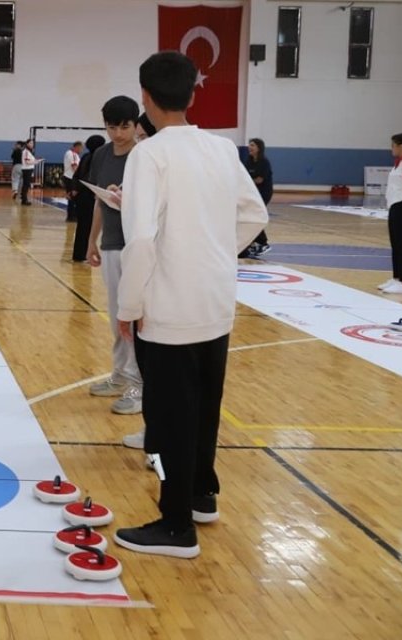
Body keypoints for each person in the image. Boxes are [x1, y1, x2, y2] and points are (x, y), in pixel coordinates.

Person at [112, 52, 267, 558]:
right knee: (203, 408)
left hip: (169, 308)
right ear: (192, 93)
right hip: (215, 300)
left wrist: (128, 305)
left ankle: (176, 525)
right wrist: (213, 251)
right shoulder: (221, 149)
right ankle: (201, 494)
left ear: (145, 97)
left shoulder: (148, 155)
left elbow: (141, 240)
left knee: (168, 420)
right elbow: (254, 215)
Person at [86, 97, 145, 426]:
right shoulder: (101, 155)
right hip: (110, 245)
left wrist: (127, 199)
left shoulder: (144, 156)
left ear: (135, 125)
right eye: (112, 127)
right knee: (116, 318)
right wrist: (91, 241)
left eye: (125, 126)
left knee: (133, 318)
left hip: (137, 246)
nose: (119, 133)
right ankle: (120, 375)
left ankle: (138, 385)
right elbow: (99, 202)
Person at [380, 129, 402, 294]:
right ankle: (396, 278)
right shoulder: (399, 162)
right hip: (394, 205)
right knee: (395, 243)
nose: (391, 148)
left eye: (393, 145)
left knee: (401, 243)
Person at [69, 135, 105, 262]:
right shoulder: (98, 158)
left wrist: (75, 189)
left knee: (82, 226)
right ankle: (82, 254)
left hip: (82, 195)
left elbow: (76, 175)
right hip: (89, 195)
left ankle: (78, 254)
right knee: (87, 226)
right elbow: (90, 177)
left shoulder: (85, 156)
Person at [240, 138, 274, 258]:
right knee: (249, 215)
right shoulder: (248, 161)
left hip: (263, 193)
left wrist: (247, 182)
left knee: (255, 215)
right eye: (249, 145)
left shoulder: (264, 162)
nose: (250, 147)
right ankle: (254, 242)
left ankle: (263, 243)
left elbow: (260, 180)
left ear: (259, 148)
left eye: (252, 145)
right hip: (252, 192)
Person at [63, 141, 84, 220]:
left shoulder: (68, 153)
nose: (82, 150)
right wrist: (81, 176)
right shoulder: (73, 154)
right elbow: (74, 167)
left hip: (68, 177)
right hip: (71, 178)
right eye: (81, 148)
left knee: (70, 197)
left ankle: (71, 215)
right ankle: (72, 216)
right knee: (73, 197)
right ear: (77, 147)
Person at [20, 139, 41, 205]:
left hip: (28, 169)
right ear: (27, 144)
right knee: (26, 185)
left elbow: (29, 160)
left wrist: (35, 161)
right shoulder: (26, 151)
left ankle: (24, 198)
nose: (32, 145)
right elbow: (27, 162)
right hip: (27, 169)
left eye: (32, 143)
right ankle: (24, 200)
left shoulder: (29, 152)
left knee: (26, 184)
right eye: (30, 143)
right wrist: (36, 162)